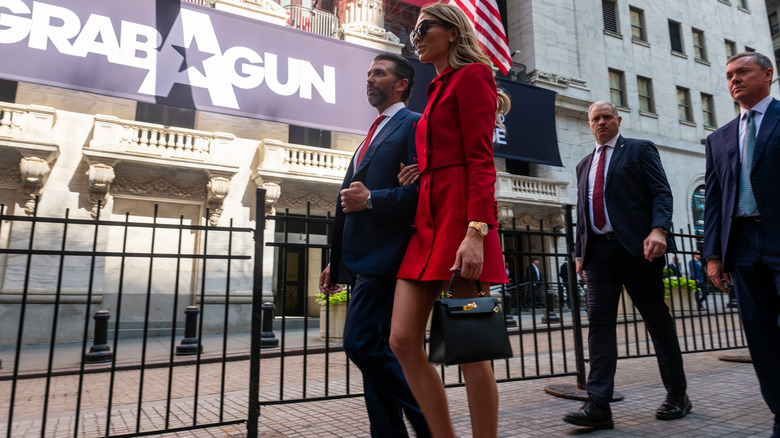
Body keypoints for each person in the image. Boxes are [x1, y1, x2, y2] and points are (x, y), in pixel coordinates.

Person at [387, 4, 510, 437]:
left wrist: (476, 232)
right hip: (427, 221)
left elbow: (480, 160)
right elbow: (444, 148)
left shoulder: (473, 75)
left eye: (424, 28)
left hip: (461, 222)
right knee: (402, 340)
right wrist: (422, 169)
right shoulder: (436, 86)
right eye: (414, 31)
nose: (415, 36)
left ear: (453, 32)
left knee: (471, 349)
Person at [318, 53, 429, 438]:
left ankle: (431, 423)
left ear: (401, 84)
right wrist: (336, 262)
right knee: (375, 356)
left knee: (361, 343)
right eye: (368, 73)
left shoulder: (414, 124)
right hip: (362, 259)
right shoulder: (372, 133)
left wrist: (373, 199)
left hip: (390, 258)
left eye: (378, 74)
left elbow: (424, 195)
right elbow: (346, 202)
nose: (369, 79)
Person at [565, 101, 690, 430]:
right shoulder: (583, 164)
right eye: (595, 118)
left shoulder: (638, 150)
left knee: (656, 321)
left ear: (618, 120)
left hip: (638, 250)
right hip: (598, 256)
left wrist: (659, 229)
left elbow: (661, 193)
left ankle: (677, 394)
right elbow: (583, 213)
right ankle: (598, 405)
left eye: (607, 117)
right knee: (599, 324)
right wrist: (579, 254)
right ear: (589, 124)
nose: (601, 122)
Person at [703, 51, 780, 438]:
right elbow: (714, 202)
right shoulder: (718, 139)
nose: (734, 80)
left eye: (743, 72)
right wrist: (713, 256)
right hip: (743, 245)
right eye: (729, 75)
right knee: (761, 337)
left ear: (768, 74)